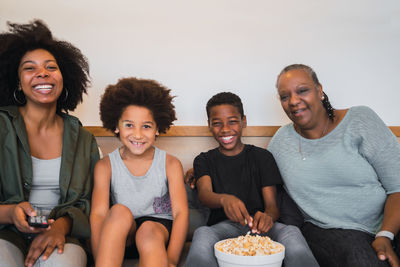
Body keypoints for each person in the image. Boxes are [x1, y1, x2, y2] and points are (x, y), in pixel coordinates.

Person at [268, 63, 400, 267]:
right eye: (285, 97)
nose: (294, 101)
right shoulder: (280, 143)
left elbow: (398, 186)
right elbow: (256, 177)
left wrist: (385, 235)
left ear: (319, 91)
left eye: (302, 91)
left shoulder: (360, 120)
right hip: (328, 230)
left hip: (389, 223)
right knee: (361, 259)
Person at [0, 20, 100, 267]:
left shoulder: (84, 140)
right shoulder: (2, 126)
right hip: (5, 232)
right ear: (17, 82)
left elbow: (89, 202)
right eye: (29, 68)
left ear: (64, 78)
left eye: (51, 67)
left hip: (61, 236)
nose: (42, 73)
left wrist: (62, 227)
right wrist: (11, 213)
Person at [185, 92, 319, 267]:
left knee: (292, 232)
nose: (225, 129)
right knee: (202, 233)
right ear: (209, 125)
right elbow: (204, 194)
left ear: (244, 121)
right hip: (223, 228)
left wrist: (268, 216)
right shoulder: (204, 160)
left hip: (261, 226)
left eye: (232, 121)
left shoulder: (262, 157)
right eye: (217, 123)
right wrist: (224, 199)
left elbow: (272, 206)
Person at [90, 77, 189, 267]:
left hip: (157, 232)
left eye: (146, 126)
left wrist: (171, 261)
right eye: (129, 125)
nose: (137, 134)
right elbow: (99, 216)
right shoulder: (105, 166)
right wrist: (98, 256)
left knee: (148, 230)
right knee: (118, 211)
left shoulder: (170, 164)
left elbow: (180, 214)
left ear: (158, 128)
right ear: (116, 127)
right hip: (122, 235)